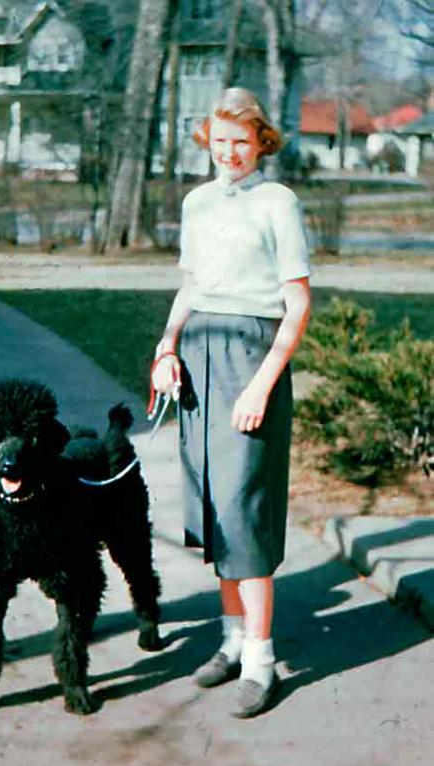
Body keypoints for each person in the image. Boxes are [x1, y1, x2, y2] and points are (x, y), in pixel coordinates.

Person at [152, 87, 312, 718]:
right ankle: (231, 640)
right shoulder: (197, 201)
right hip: (199, 354)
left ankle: (262, 661)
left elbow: (297, 305)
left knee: (245, 508)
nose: (229, 153)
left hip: (252, 357)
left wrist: (261, 383)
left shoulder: (278, 201)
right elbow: (191, 283)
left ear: (261, 142)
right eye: (219, 142)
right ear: (208, 142)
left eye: (241, 141)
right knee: (213, 502)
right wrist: (166, 347)